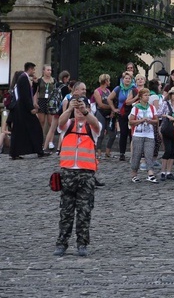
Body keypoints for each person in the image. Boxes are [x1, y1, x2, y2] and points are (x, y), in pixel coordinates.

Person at [53, 92, 102, 257]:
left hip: (86, 174)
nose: (79, 111)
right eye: (78, 109)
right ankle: (62, 243)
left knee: (84, 211)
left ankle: (82, 244)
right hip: (68, 173)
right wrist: (69, 109)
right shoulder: (68, 125)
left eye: (83, 108)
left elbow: (96, 125)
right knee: (66, 212)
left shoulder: (91, 126)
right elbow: (60, 123)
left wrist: (86, 112)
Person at [10, 62, 47, 159]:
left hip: (23, 109)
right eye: (33, 69)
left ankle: (18, 152)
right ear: (29, 69)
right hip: (23, 110)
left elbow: (30, 93)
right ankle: (38, 150)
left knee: (21, 131)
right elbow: (25, 96)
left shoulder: (25, 78)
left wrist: (35, 84)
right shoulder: (23, 78)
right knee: (36, 128)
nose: (34, 72)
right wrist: (31, 108)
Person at [128, 89, 159, 183]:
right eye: (145, 95)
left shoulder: (152, 108)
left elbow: (156, 120)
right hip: (138, 134)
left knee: (149, 154)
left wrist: (150, 121)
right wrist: (141, 120)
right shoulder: (136, 108)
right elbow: (131, 121)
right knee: (136, 154)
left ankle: (150, 173)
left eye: (148, 95)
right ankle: (134, 174)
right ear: (141, 97)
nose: (147, 97)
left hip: (149, 134)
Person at [107, 72, 138, 161]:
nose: (127, 80)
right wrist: (114, 109)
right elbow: (109, 98)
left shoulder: (134, 89)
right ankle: (122, 153)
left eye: (129, 78)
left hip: (132, 113)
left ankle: (134, 153)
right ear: (122, 79)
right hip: (122, 113)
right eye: (126, 78)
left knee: (132, 134)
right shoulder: (118, 88)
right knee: (123, 134)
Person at [159, 86, 174, 180]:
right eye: (173, 94)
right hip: (167, 129)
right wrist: (167, 116)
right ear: (170, 95)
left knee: (172, 151)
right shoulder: (166, 104)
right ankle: (162, 171)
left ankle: (169, 172)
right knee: (167, 150)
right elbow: (158, 113)